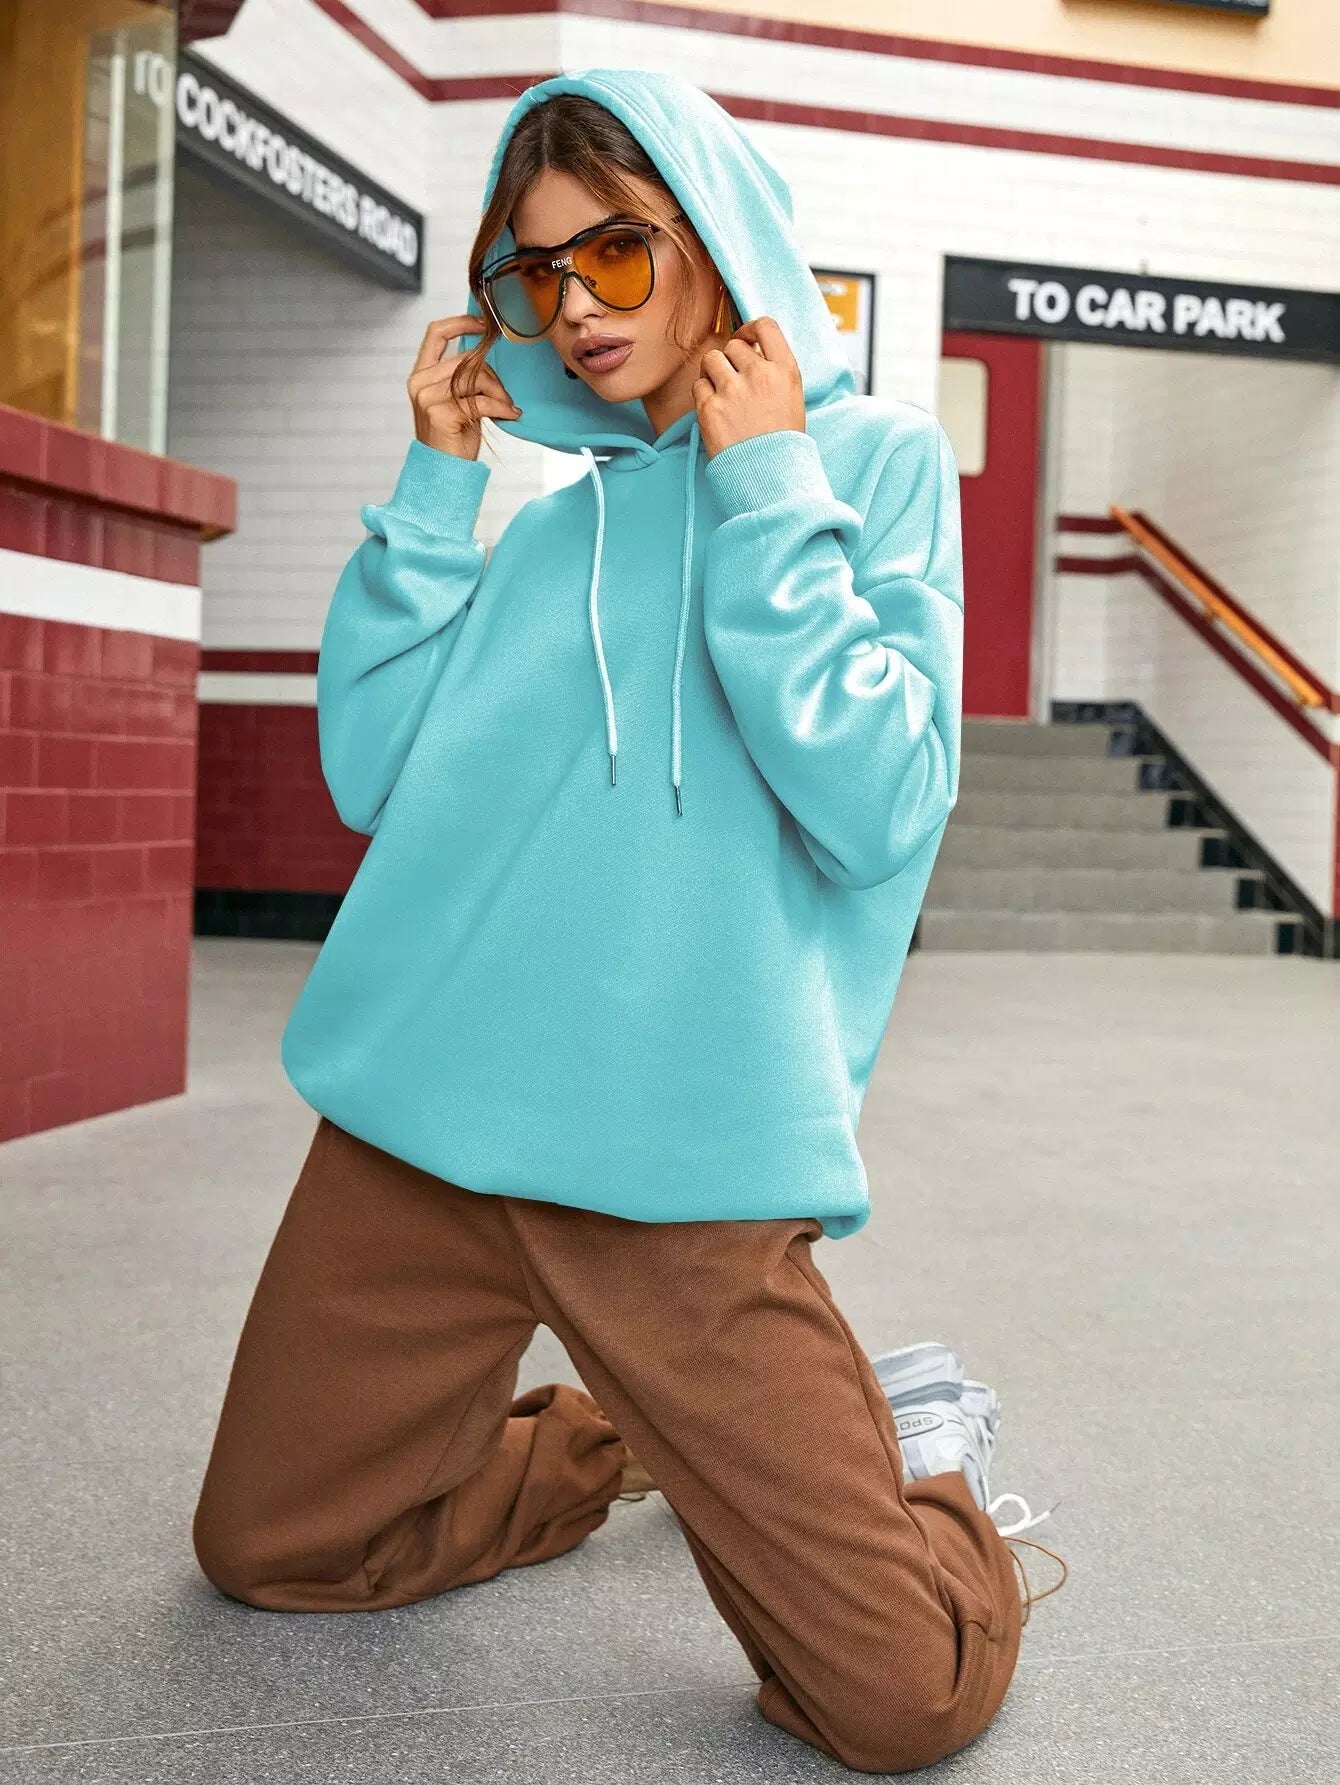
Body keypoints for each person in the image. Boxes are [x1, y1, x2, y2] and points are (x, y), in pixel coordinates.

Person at [192, 67, 1066, 1774]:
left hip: (682, 1164)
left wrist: (768, 485)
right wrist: (435, 487)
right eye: (536, 274)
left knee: (895, 1700)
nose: (576, 309)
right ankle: (624, 1440)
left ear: (712, 235)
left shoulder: (867, 467)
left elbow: (883, 801)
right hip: (422, 1133)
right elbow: (370, 774)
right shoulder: (543, 534)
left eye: (615, 251)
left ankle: (923, 1459)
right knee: (273, 1545)